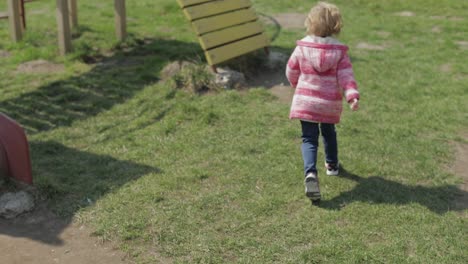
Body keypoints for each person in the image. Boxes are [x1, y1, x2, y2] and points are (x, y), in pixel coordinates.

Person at [285, 2, 360, 204]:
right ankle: (332, 165)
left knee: (309, 138)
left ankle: (310, 174)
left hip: (306, 101)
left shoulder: (302, 47)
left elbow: (291, 70)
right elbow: (346, 76)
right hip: (328, 103)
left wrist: (295, 84)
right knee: (328, 132)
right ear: (336, 26)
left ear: (310, 23)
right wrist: (352, 95)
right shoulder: (339, 52)